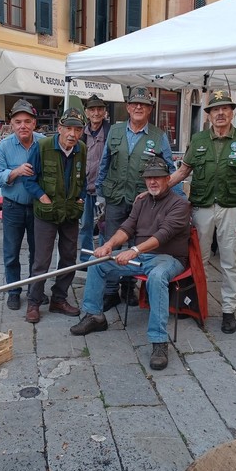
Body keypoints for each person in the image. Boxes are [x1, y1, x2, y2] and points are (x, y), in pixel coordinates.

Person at [70, 156, 191, 370]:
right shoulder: (142, 201)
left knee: (156, 277)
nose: (153, 182)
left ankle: (159, 341)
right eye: (149, 178)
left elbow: (164, 234)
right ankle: (95, 316)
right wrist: (109, 245)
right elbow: (127, 227)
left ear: (167, 179)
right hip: (142, 257)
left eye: (158, 178)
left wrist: (134, 250)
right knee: (96, 262)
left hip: (168, 258)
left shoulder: (180, 204)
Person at [167, 90, 236, 334]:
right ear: (208, 115)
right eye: (215, 109)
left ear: (231, 112)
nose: (220, 113)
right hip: (203, 206)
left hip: (232, 206)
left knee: (230, 260)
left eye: (225, 108)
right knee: (199, 259)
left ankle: (228, 310)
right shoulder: (198, 140)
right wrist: (160, 187)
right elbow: (183, 171)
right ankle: (197, 303)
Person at [96, 87, 178, 311]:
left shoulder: (158, 136)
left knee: (137, 245)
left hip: (143, 202)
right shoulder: (115, 131)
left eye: (144, 104)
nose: (139, 107)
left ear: (150, 109)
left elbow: (170, 170)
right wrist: (99, 191)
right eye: (135, 104)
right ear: (128, 107)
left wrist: (170, 197)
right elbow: (105, 163)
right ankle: (111, 291)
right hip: (115, 197)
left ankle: (129, 288)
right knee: (112, 242)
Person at [23, 108, 87, 323]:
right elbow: (28, 179)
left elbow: (83, 179)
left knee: (69, 258)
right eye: (68, 128)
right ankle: (34, 302)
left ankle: (59, 299)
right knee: (41, 260)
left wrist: (81, 197)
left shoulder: (82, 150)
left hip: (70, 213)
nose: (72, 134)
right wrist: (42, 197)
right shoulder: (42, 147)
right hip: (46, 213)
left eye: (77, 129)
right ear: (59, 128)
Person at [0, 99, 44, 311]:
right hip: (13, 206)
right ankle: (14, 291)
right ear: (11, 124)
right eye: (18, 121)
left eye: (27, 121)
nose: (23, 125)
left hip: (38, 207)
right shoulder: (4, 147)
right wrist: (15, 172)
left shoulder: (43, 143)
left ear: (34, 123)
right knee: (11, 251)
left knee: (37, 252)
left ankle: (34, 291)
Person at [79, 94, 111, 263]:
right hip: (84, 188)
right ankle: (85, 260)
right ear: (86, 112)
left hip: (104, 188)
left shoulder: (111, 132)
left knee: (104, 226)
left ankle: (102, 260)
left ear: (105, 112)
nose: (96, 113)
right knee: (85, 226)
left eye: (100, 109)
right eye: (92, 109)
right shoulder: (80, 133)